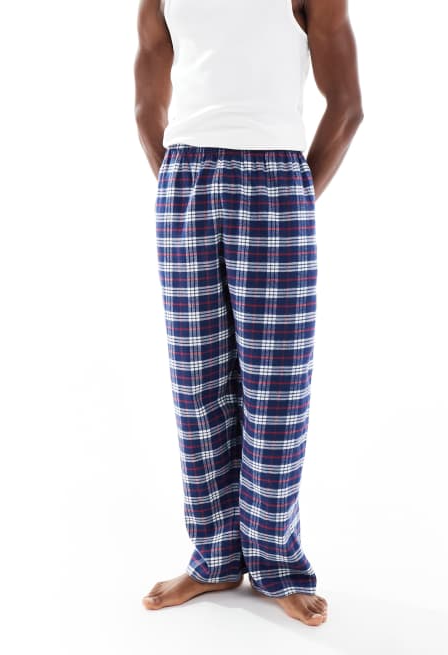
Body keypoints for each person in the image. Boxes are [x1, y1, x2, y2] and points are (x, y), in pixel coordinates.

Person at [134, 0, 363, 627]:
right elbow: (147, 97)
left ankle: (275, 560)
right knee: (197, 380)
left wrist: (294, 197)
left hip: (276, 175)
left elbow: (347, 105)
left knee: (276, 383)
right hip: (186, 174)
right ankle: (215, 557)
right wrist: (174, 183)